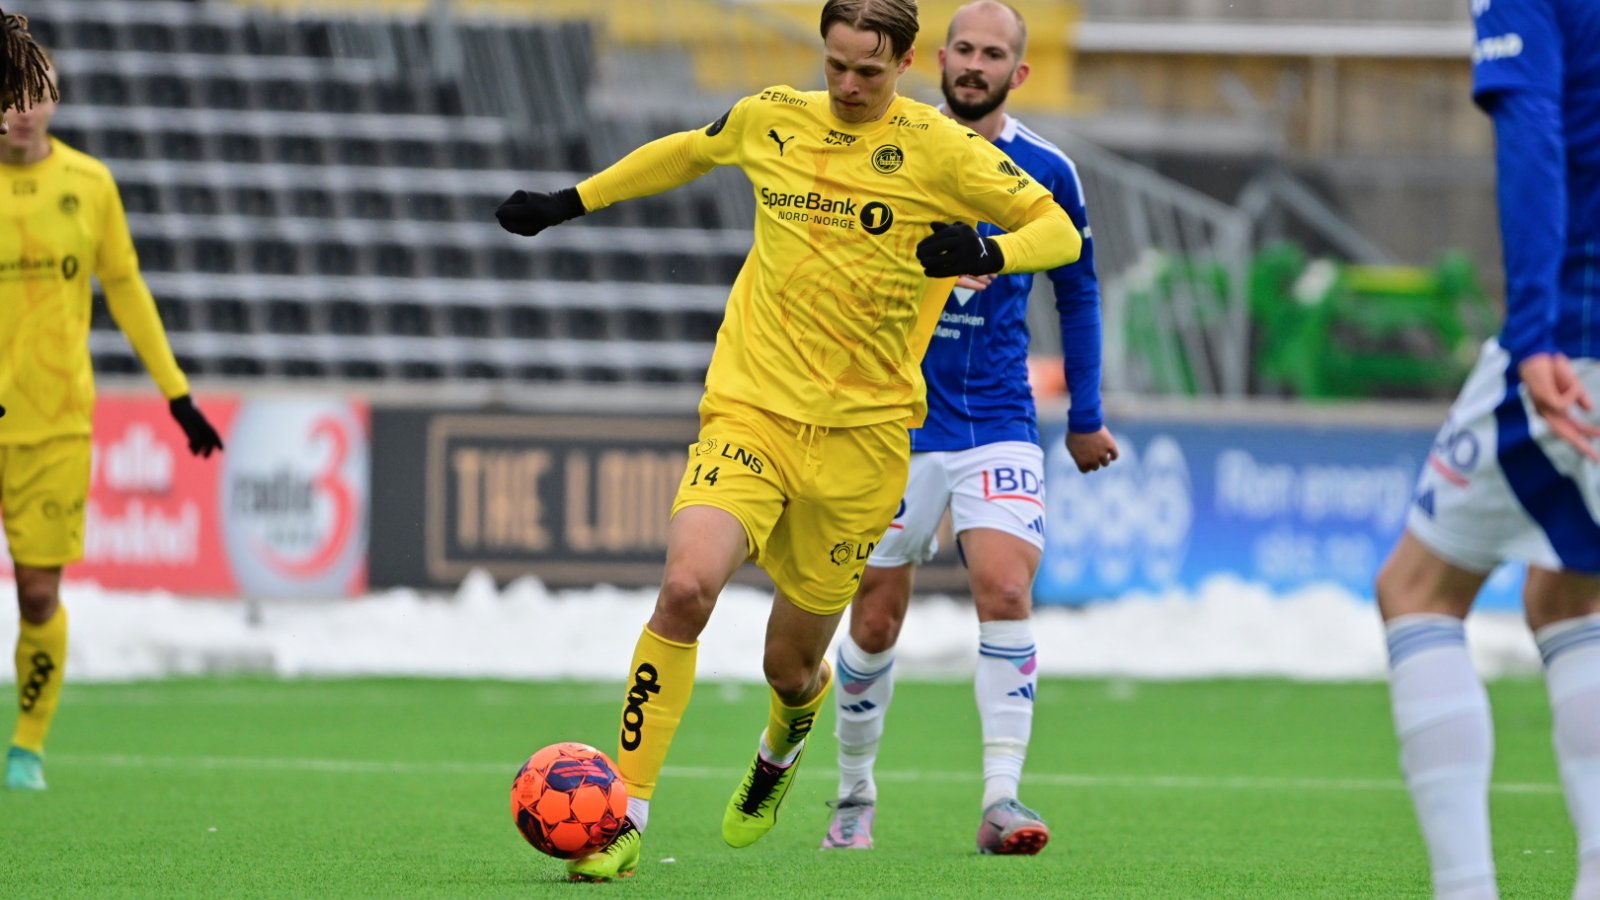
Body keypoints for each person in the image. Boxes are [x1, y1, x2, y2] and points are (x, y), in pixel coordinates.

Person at [495, 0, 1083, 882]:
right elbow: (686, 152)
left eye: (868, 72)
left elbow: (1060, 231)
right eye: (836, 65)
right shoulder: (773, 117)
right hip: (751, 411)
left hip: (865, 444)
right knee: (688, 588)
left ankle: (784, 742)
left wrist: (987, 250)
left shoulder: (942, 149)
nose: (847, 86)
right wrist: (568, 201)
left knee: (793, 661)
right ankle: (626, 816)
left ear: (905, 62)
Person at [819, 0, 1116, 856]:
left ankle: (1001, 801)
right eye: (965, 49)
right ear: (935, 58)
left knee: (1007, 590)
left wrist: (1086, 414)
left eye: (995, 54)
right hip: (891, 420)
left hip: (995, 418)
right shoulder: (889, 144)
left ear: (1018, 72)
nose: (976, 64)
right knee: (874, 618)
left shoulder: (1047, 170)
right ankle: (852, 795)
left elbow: (1079, 286)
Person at [1376, 0, 1600, 897]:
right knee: (1568, 588)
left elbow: (1536, 131)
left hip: (1575, 337)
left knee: (1419, 589)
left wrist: (1538, 330)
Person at [1, 54, 224, 791]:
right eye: (8, 96)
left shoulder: (89, 184)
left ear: (56, 97)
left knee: (38, 593)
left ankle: (27, 747)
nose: (22, 109)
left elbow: (125, 289)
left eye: (35, 93)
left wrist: (177, 394)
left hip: (56, 420)